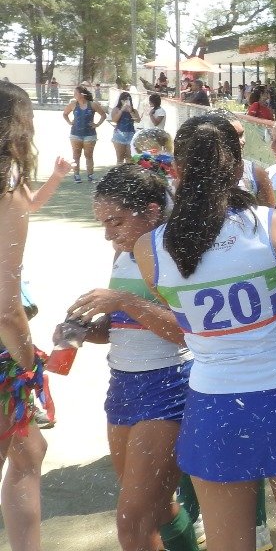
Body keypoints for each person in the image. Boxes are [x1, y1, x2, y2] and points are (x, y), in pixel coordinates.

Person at [134, 114, 276, 551]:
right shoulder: (273, 225)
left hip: (212, 408)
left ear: (177, 170)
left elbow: (184, 321)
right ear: (237, 168)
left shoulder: (149, 248)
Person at [64, 163, 199, 551]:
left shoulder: (177, 252)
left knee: (131, 522)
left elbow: (189, 330)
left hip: (170, 385)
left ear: (153, 211)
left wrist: (122, 299)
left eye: (117, 221)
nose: (109, 234)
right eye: (104, 223)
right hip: (122, 384)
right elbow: (121, 327)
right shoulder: (124, 252)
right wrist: (84, 332)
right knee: (157, 510)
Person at [0, 81, 48, 551]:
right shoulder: (8, 190)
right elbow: (5, 305)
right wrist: (28, 362)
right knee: (26, 452)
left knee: (26, 448)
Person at [63, 83, 107, 183]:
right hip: (75, 134)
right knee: (76, 155)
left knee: (89, 155)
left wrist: (97, 124)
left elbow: (103, 115)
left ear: (82, 94)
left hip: (90, 134)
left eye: (75, 93)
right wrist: (70, 122)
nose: (74, 95)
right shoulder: (73, 104)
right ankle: (76, 175)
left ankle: (90, 175)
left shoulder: (92, 104)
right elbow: (65, 114)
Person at [110, 92, 142, 164]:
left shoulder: (134, 110)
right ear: (121, 100)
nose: (127, 101)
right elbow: (114, 120)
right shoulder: (116, 109)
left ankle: (128, 174)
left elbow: (138, 120)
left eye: (128, 99)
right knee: (120, 158)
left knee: (130, 158)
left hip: (130, 134)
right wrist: (122, 110)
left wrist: (130, 111)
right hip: (119, 134)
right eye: (125, 100)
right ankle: (119, 174)